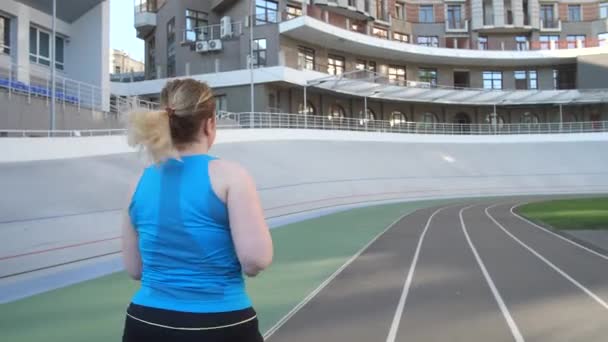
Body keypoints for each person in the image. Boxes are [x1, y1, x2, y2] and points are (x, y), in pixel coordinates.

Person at [121, 79, 273, 342]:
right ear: (209, 124)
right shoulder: (231, 176)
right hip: (218, 324)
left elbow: (135, 269)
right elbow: (255, 260)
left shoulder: (139, 182)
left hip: (144, 323)